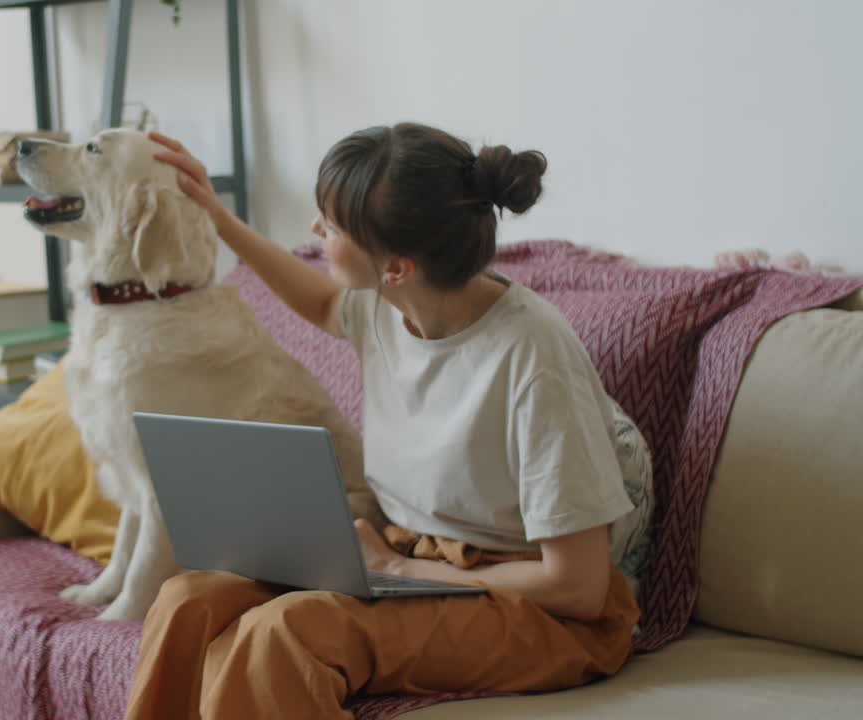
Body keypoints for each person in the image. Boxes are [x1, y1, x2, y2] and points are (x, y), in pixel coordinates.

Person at [128, 123, 646, 720]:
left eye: (332, 223)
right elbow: (323, 303)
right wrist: (217, 218)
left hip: (536, 609)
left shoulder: (532, 355)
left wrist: (401, 570)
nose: (316, 230)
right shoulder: (385, 308)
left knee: (286, 634)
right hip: (406, 560)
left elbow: (576, 588)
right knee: (187, 598)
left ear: (396, 267)